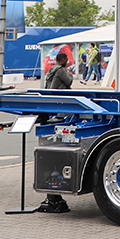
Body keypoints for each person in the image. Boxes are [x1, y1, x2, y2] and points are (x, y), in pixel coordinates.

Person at [38, 51, 74, 214]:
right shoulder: (60, 70)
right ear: (62, 60)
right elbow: (68, 82)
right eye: (66, 60)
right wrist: (70, 74)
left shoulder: (51, 70)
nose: (67, 62)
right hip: (61, 102)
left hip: (51, 102)